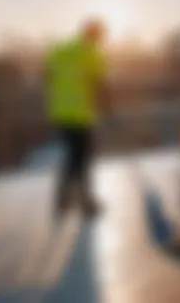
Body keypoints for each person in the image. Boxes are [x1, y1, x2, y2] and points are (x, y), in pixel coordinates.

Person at [44, 18, 108, 217]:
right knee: (82, 159)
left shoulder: (61, 49)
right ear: (95, 35)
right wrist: (107, 107)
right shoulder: (92, 54)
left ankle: (63, 200)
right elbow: (100, 84)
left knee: (72, 157)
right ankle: (86, 202)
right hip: (81, 114)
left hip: (61, 113)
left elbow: (47, 75)